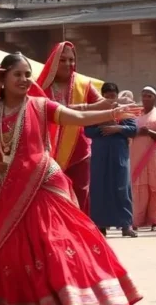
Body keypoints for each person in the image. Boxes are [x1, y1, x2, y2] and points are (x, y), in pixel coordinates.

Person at [0, 53, 143, 305]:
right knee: (15, 254)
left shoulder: (40, 106)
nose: (25, 80)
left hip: (44, 185)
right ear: (3, 77)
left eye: (28, 74)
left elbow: (77, 117)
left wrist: (112, 114)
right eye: (18, 75)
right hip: (9, 191)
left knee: (60, 244)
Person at [38, 41, 111, 214]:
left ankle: (79, 237)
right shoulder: (42, 85)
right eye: (62, 60)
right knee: (50, 196)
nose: (68, 64)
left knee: (80, 194)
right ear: (54, 61)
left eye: (71, 60)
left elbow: (102, 104)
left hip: (77, 151)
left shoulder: (83, 84)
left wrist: (79, 109)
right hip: (46, 151)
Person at [84, 82, 138, 238]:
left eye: (112, 96)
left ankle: (126, 225)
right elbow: (88, 131)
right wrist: (103, 126)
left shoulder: (125, 110)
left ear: (117, 95)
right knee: (100, 187)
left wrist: (117, 128)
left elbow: (133, 130)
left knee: (121, 187)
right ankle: (100, 226)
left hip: (119, 152)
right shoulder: (95, 110)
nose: (109, 99)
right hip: (100, 152)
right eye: (106, 96)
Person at [130, 86, 156, 232]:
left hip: (154, 154)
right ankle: (136, 220)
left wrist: (149, 132)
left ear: (155, 98)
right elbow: (127, 132)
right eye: (144, 96)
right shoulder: (135, 115)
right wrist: (136, 132)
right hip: (136, 154)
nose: (146, 98)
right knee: (138, 188)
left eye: (149, 96)